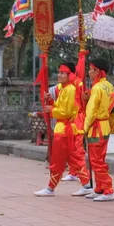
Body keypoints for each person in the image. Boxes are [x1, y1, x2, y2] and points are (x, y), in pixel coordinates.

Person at [34, 62, 93, 198]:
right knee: (73, 159)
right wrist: (51, 102)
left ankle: (50, 188)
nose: (59, 75)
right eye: (59, 72)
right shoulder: (63, 88)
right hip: (64, 129)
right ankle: (86, 185)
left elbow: (66, 112)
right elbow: (61, 108)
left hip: (65, 130)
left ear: (69, 74)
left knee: (59, 160)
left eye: (62, 73)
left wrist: (52, 110)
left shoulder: (69, 90)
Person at [83, 58, 114, 201]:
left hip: (96, 127)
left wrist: (84, 128)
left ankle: (108, 189)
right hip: (105, 125)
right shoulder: (109, 86)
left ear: (97, 71)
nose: (89, 72)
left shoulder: (97, 88)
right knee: (98, 158)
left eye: (90, 69)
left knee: (96, 160)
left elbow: (91, 111)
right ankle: (99, 187)